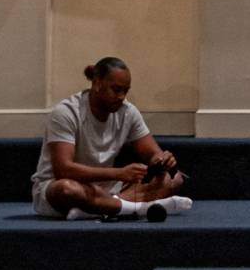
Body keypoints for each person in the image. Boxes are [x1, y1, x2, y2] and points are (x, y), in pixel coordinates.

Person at [31, 56, 194, 219]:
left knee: (174, 178)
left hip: (107, 190)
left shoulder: (128, 112)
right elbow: (63, 170)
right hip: (62, 186)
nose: (121, 96)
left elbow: (152, 153)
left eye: (125, 91)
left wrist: (162, 160)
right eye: (116, 90)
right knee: (67, 189)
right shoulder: (66, 112)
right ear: (97, 84)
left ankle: (99, 209)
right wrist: (118, 173)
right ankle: (140, 209)